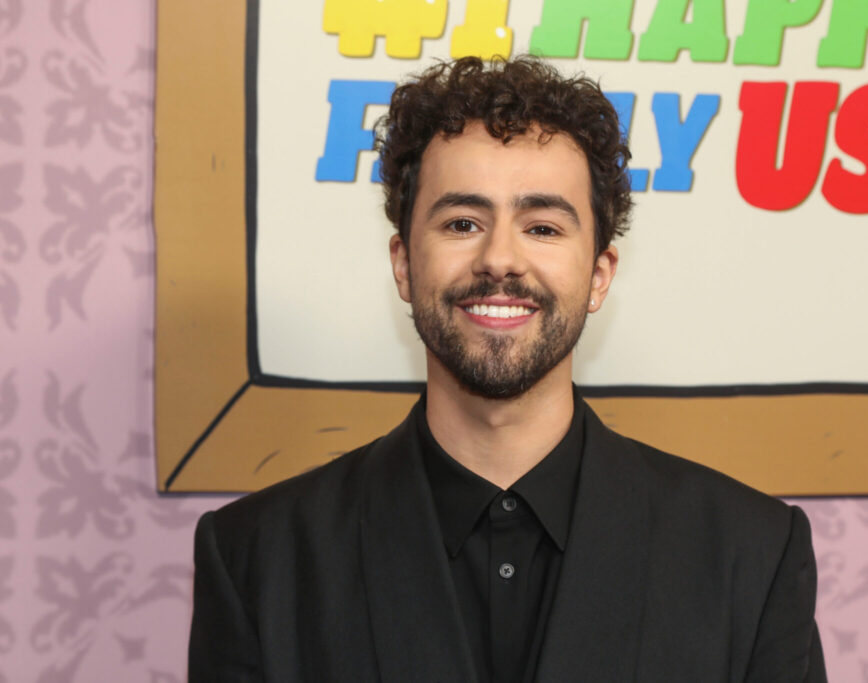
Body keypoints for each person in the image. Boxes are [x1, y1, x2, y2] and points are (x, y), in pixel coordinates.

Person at [189, 56, 827, 682]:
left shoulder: (753, 556)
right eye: (462, 222)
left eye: (542, 228)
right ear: (404, 265)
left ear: (599, 275)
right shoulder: (256, 560)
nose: (500, 259)